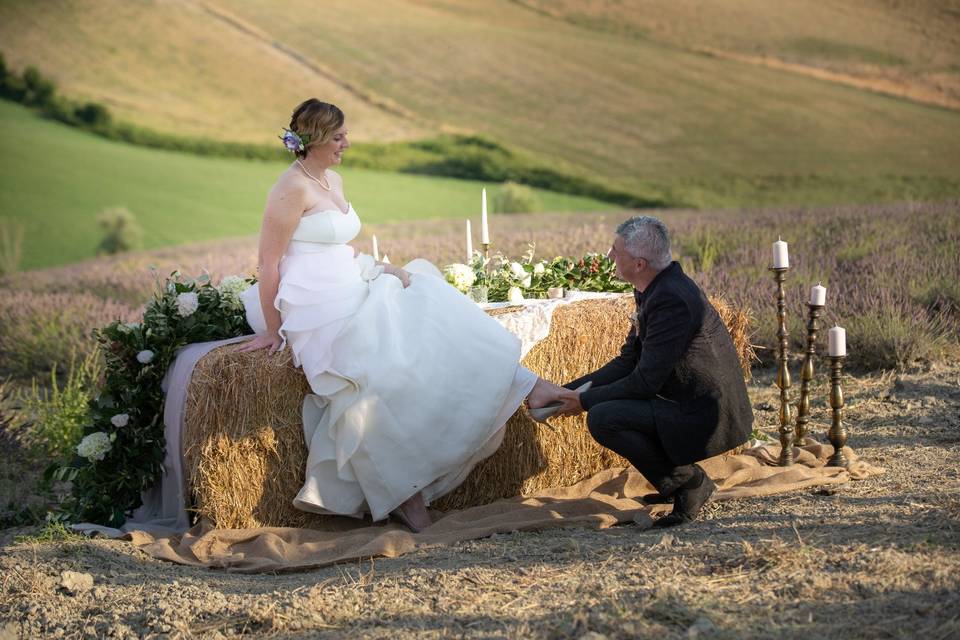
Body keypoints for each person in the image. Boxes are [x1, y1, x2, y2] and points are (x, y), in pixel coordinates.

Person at [238, 98, 562, 532]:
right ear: (313, 139)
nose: (346, 144)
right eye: (338, 137)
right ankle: (407, 501)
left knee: (428, 296)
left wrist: (377, 268)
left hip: (349, 279)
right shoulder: (289, 188)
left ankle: (528, 385)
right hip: (314, 304)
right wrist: (275, 331)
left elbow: (333, 244)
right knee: (374, 379)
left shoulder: (332, 178)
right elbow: (269, 262)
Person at [547, 216, 753, 527]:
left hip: (704, 412)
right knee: (606, 410)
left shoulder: (672, 299)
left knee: (604, 418)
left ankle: (690, 483)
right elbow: (628, 362)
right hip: (685, 400)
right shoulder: (654, 288)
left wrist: (584, 402)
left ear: (640, 263)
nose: (609, 256)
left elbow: (644, 382)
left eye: (616, 251)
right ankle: (672, 483)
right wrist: (564, 390)